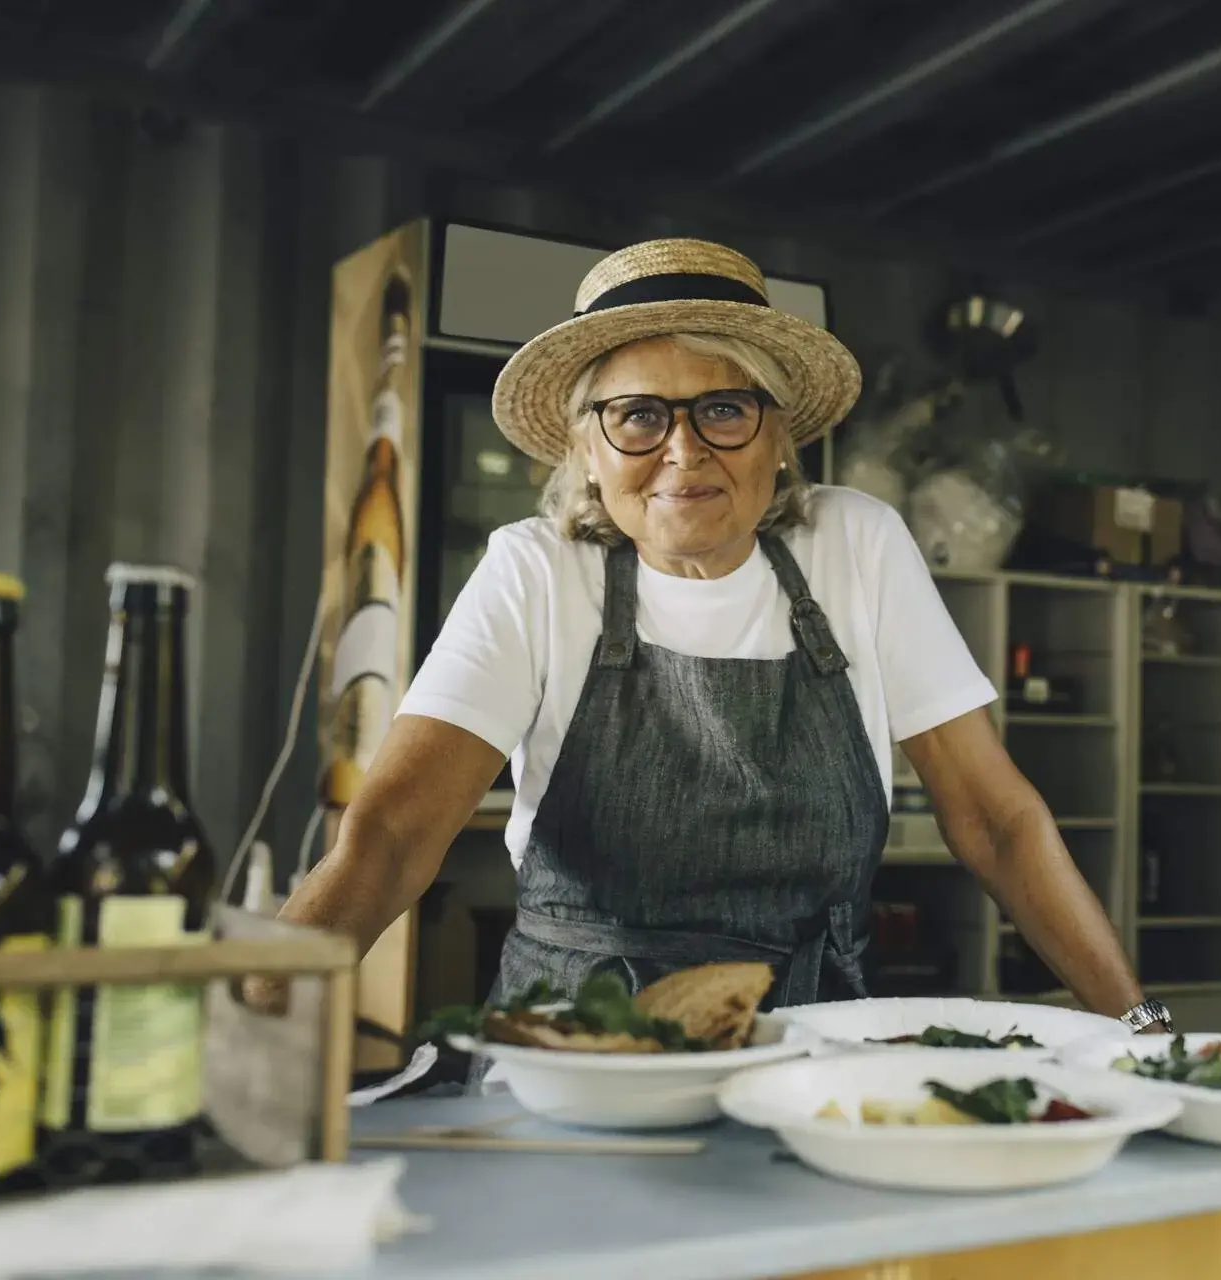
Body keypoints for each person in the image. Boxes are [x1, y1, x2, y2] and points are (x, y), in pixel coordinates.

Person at [273, 238, 1167, 1035]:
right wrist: (246, 1024)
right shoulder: (536, 569)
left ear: (779, 433)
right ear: (586, 448)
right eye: (638, 416)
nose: (684, 451)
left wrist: (1143, 1029)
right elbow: (393, 834)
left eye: (725, 411)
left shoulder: (854, 543)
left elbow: (998, 822)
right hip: (584, 1046)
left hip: (814, 1048)